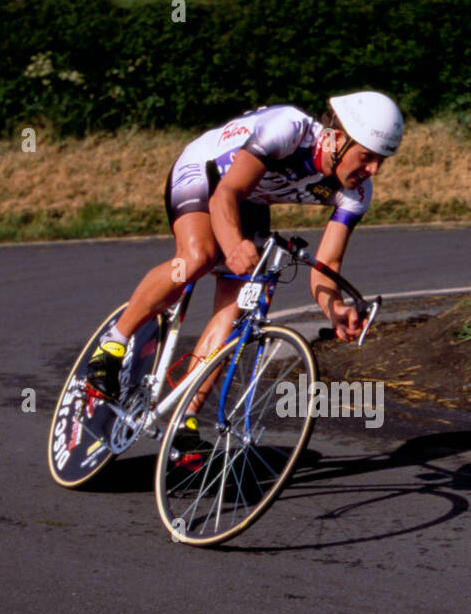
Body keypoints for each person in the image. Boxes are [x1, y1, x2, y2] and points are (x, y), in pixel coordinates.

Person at [85, 92, 404, 405]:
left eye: (382, 161)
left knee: (238, 304)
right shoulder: (288, 129)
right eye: (367, 156)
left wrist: (334, 309)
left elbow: (327, 263)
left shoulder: (357, 193)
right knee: (198, 258)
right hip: (206, 172)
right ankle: (112, 345)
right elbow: (226, 194)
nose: (374, 169)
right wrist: (233, 244)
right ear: (338, 138)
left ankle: (186, 418)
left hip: (250, 199)